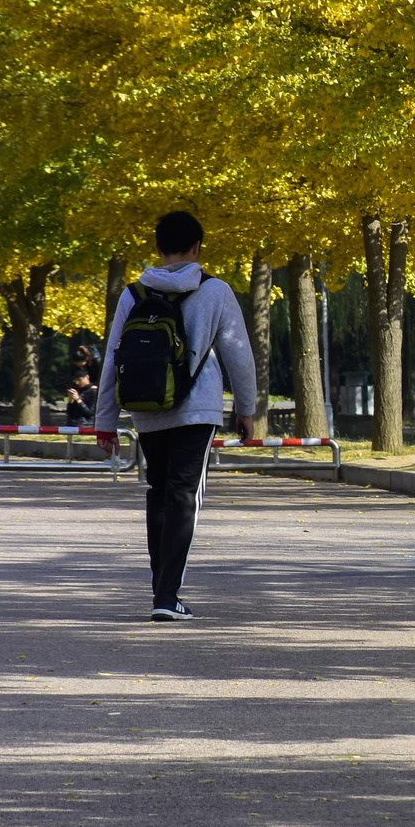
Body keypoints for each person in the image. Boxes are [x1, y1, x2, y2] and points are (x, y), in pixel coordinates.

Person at [95, 211, 260, 622]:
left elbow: (114, 359)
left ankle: (161, 591)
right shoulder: (216, 291)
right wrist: (246, 409)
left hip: (147, 410)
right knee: (185, 494)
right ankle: (168, 597)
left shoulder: (133, 294)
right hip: (198, 409)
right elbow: (239, 354)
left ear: (157, 248)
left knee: (159, 492)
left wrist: (105, 419)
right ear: (198, 247)